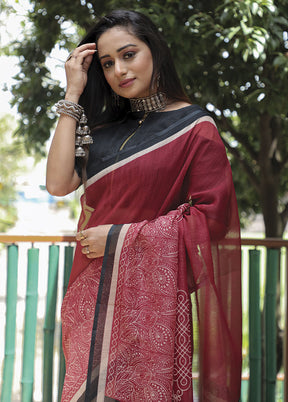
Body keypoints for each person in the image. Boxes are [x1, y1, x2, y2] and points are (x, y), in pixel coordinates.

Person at [46, 9, 242, 402]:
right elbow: (57, 183)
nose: (118, 69)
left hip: (148, 305)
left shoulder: (194, 128)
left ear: (154, 51)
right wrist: (72, 94)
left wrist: (120, 238)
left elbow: (212, 220)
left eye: (128, 54)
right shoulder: (102, 132)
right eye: (106, 63)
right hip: (89, 295)